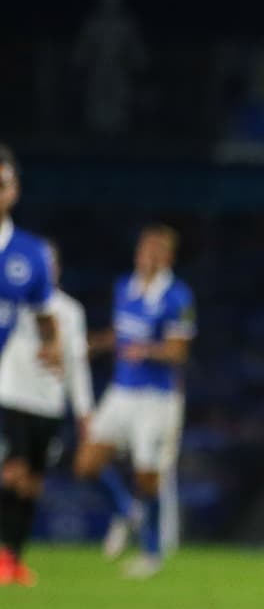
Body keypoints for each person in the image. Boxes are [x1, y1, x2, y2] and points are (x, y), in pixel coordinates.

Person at [76, 223, 194, 579]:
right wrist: (94, 344)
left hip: (157, 398)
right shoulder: (123, 287)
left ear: (168, 257)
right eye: (145, 249)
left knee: (147, 477)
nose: (148, 256)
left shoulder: (178, 297)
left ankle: (151, 553)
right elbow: (123, 332)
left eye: (156, 250)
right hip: (121, 391)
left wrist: (147, 350)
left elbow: (179, 350)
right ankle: (126, 512)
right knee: (86, 464)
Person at [0, 240, 94, 585]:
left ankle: (14, 557)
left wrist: (84, 413)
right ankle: (3, 555)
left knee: (33, 483)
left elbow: (77, 365)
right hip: (12, 394)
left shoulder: (71, 312)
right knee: (15, 471)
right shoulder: (15, 301)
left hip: (49, 403)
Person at [0, 146, 64, 586]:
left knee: (22, 476)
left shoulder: (30, 254)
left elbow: (44, 315)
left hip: (11, 383)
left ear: (15, 191)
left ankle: (10, 556)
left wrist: (52, 345)